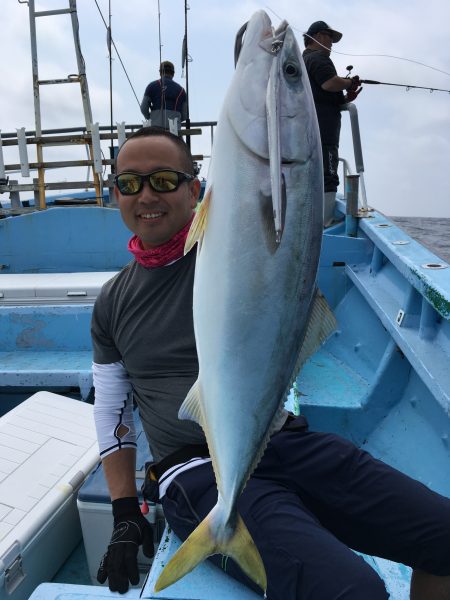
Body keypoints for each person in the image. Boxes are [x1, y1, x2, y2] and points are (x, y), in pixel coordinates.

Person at [91, 126, 450, 599]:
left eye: (163, 179)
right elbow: (112, 409)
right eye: (129, 184)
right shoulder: (113, 302)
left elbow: (270, 198)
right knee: (353, 590)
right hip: (195, 473)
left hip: (280, 439)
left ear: (197, 189)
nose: (145, 196)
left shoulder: (239, 250)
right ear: (114, 194)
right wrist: (122, 515)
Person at [303, 21, 362, 227]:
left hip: (308, 128)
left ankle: (309, 218)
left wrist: (345, 97)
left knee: (311, 173)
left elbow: (323, 92)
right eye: (330, 37)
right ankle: (326, 220)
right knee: (328, 173)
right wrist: (348, 82)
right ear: (318, 36)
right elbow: (329, 83)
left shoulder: (303, 61)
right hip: (324, 129)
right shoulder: (319, 58)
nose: (332, 43)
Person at [140, 61, 187, 132]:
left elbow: (143, 108)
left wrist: (152, 118)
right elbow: (185, 115)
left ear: (160, 72)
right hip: (175, 132)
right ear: (173, 73)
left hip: (155, 130)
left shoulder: (151, 86)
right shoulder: (181, 90)